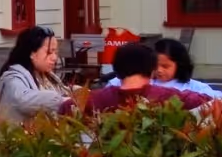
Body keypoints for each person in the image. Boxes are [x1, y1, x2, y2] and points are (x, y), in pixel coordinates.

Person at [83, 42, 211, 114]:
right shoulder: (169, 97)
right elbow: (211, 103)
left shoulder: (97, 99)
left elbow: (66, 108)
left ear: (116, 69)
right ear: (151, 69)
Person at [0, 26, 73, 124]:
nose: (54, 58)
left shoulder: (45, 75)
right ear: (31, 53)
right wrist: (62, 101)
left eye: (55, 52)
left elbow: (64, 90)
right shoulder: (13, 79)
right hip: (16, 137)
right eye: (49, 52)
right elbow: (23, 100)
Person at [151, 38, 222, 97]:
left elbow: (219, 98)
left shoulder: (194, 87)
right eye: (154, 65)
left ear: (180, 65)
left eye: (165, 66)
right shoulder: (148, 84)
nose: (159, 70)